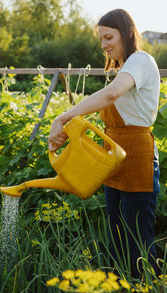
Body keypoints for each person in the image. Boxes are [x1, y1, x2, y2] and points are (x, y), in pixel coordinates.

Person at [48, 8, 161, 278]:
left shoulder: (141, 61)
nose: (104, 45)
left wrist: (63, 117)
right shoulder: (123, 68)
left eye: (108, 37)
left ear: (126, 33)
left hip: (136, 157)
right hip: (113, 156)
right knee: (117, 233)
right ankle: (121, 292)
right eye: (100, 39)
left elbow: (111, 95)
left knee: (137, 236)